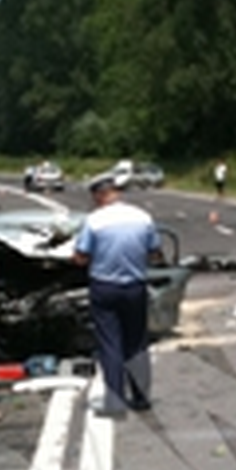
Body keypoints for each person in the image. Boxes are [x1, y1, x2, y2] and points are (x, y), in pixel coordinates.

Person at [74, 173, 164, 417]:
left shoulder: (94, 221)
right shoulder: (143, 217)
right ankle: (141, 397)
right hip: (135, 287)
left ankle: (115, 401)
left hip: (104, 288)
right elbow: (155, 252)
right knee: (136, 342)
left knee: (110, 343)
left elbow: (81, 256)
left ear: (99, 195)